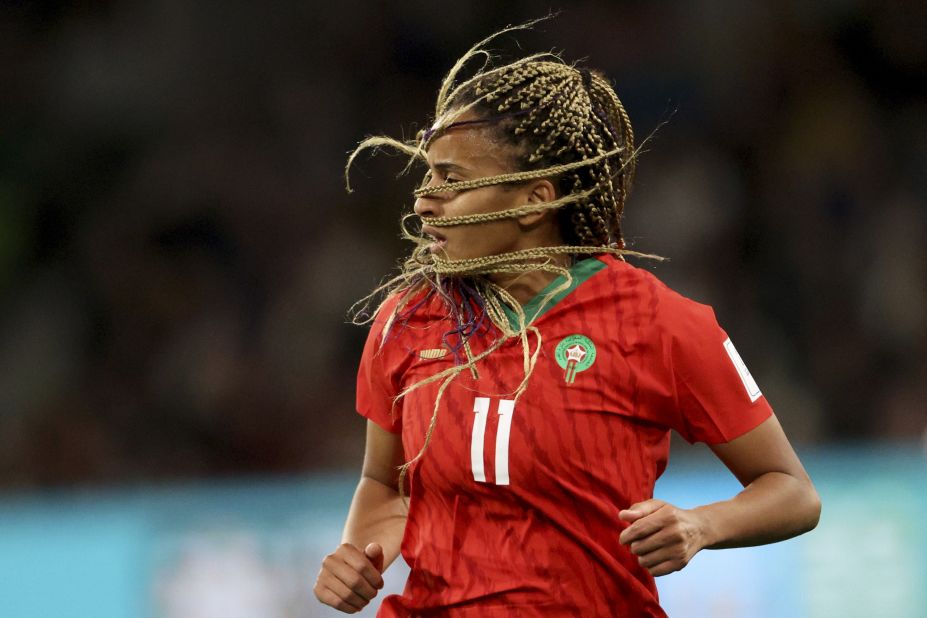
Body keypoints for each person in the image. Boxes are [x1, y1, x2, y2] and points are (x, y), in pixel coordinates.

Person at [314, 23, 821, 617]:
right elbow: (384, 481)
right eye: (428, 176)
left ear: (534, 200)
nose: (425, 199)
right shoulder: (407, 321)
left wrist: (699, 526)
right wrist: (358, 555)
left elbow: (793, 493)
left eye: (453, 181)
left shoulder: (659, 323)